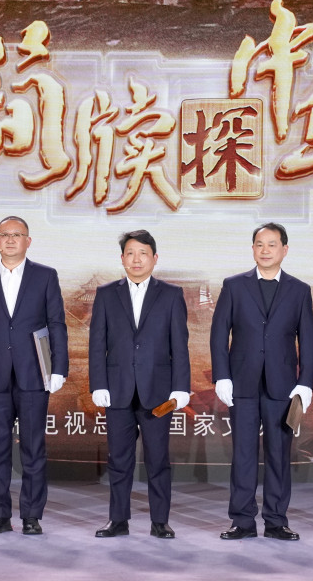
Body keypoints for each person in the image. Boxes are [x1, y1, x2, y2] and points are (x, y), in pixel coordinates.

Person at [210, 223, 313, 541]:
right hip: (241, 383)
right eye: (259, 244)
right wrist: (222, 375)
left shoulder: (299, 290)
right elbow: (219, 334)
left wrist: (305, 383)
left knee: (279, 455)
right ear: (253, 249)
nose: (265, 250)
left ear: (285, 249)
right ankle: (242, 521)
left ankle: (276, 520)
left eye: (272, 244)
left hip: (282, 386)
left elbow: (308, 341)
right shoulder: (234, 285)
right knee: (243, 454)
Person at [0, 216, 68, 535]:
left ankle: (31, 515)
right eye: (5, 235)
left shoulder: (45, 276)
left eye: (17, 234)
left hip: (34, 373)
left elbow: (56, 324)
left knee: (33, 447)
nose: (11, 239)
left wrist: (58, 368)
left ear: (28, 241)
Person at [89, 230, 190, 539]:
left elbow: (180, 345)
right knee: (119, 460)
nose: (136, 259)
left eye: (143, 253)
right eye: (130, 253)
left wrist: (181, 387)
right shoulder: (106, 294)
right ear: (122, 259)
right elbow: (97, 343)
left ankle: (160, 521)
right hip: (117, 390)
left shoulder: (171, 295)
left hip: (157, 393)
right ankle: (118, 520)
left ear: (154, 258)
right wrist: (98, 383)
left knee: (158, 459)